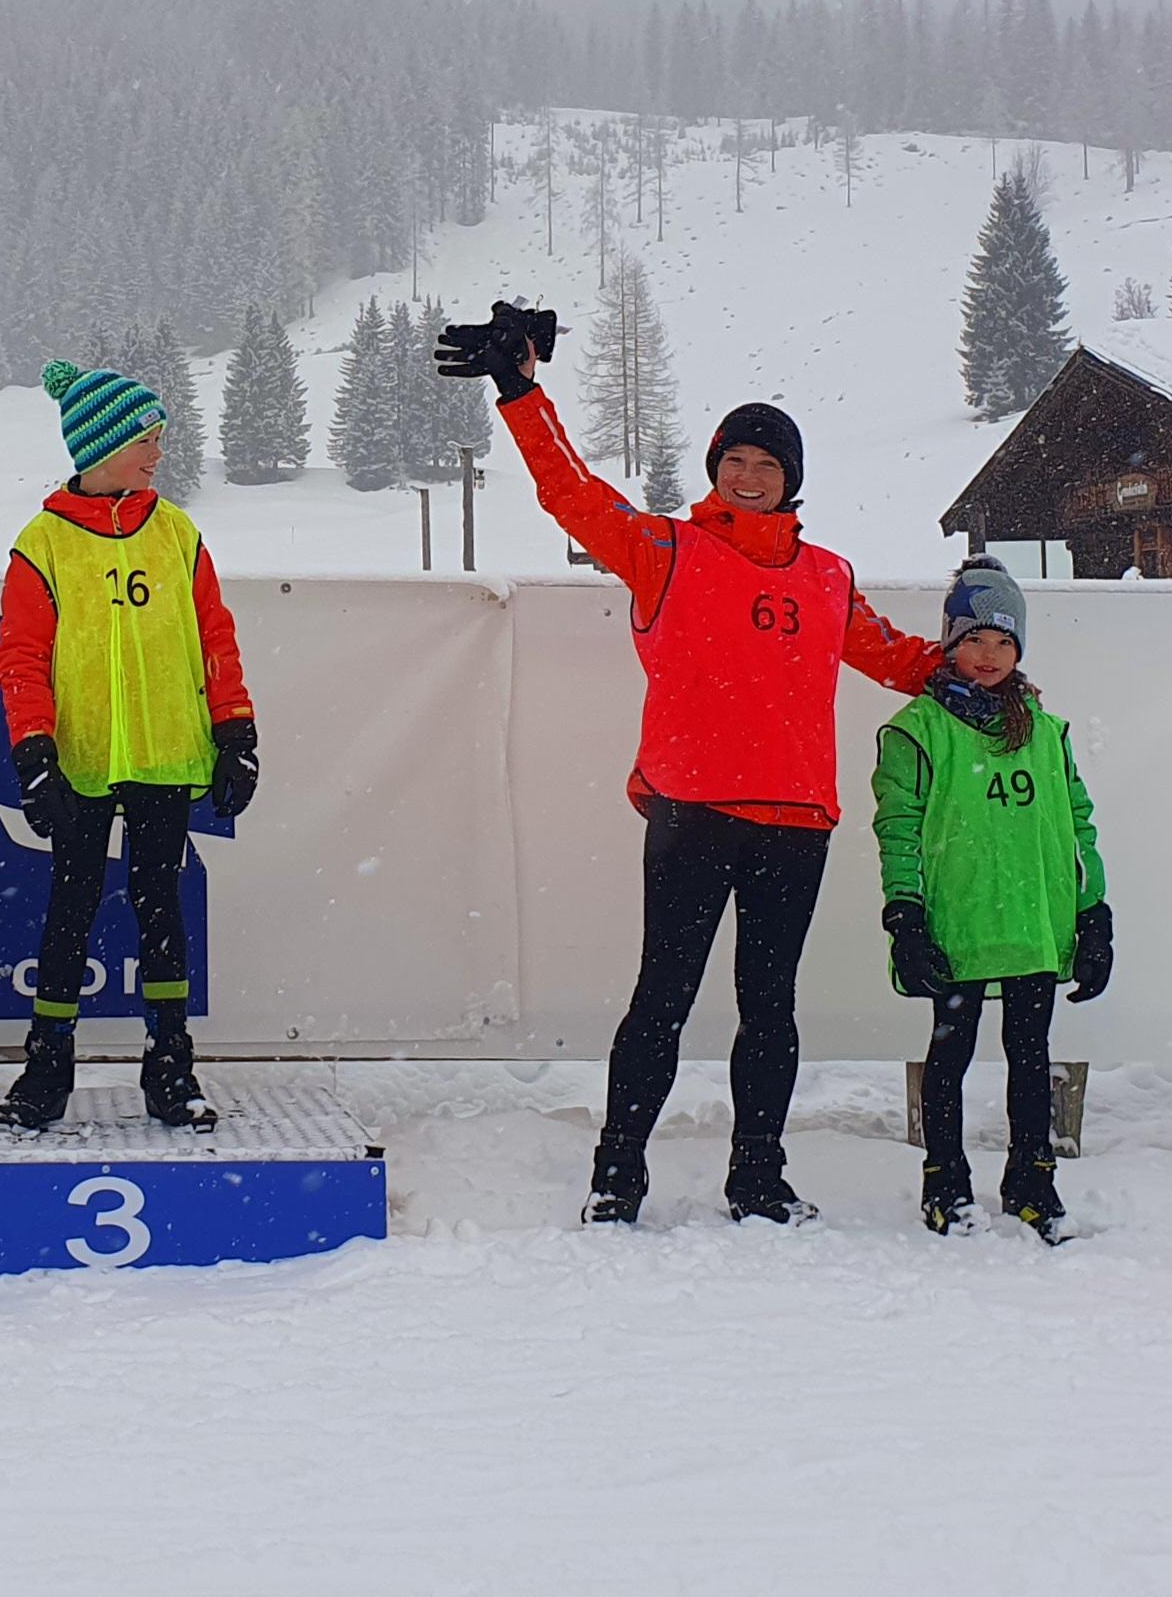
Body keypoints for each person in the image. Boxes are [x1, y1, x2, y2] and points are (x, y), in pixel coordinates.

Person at [439, 299, 940, 1224]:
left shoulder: (827, 576)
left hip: (796, 820)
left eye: (766, 464)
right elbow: (571, 492)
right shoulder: (666, 548)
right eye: (734, 461)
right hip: (693, 810)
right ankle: (617, 1173)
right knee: (660, 1000)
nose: (748, 476)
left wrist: (983, 659)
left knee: (771, 1009)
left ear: (791, 479)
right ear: (716, 468)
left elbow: (897, 657)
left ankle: (758, 1176)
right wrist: (520, 391)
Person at [0, 360, 260, 1131]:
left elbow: (215, 636)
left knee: (161, 908)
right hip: (80, 764)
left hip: (167, 757)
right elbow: (22, 658)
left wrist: (234, 729)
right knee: (69, 909)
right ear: (101, 447)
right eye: (148, 438)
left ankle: (171, 1065)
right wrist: (34, 753)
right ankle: (46, 1070)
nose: (159, 453)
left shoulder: (177, 532)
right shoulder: (41, 544)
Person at [875, 557, 1112, 1242]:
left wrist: (1092, 911)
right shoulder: (917, 731)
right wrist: (905, 914)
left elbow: (1078, 824)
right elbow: (899, 832)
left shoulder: (1047, 730)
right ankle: (945, 1184)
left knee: (1031, 1058)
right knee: (949, 1058)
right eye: (975, 639)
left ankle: (1032, 1180)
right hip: (959, 925)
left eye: (1004, 643)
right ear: (950, 643)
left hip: (1033, 925)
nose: (989, 656)